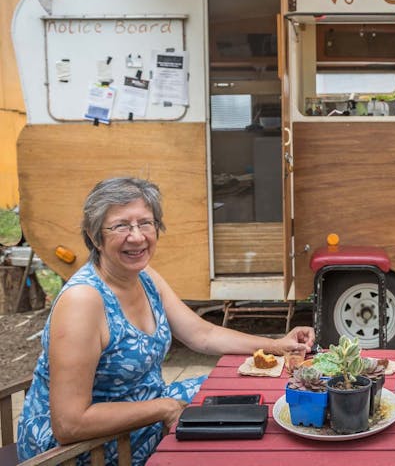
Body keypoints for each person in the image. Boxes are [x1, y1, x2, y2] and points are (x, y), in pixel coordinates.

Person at [17, 177, 315, 466]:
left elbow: (202, 334)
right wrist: (162, 408)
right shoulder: (83, 301)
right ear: (95, 236)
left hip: (142, 417)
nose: (137, 236)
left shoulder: (144, 278)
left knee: (249, 394)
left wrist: (276, 345)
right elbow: (69, 424)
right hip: (84, 450)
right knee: (232, 430)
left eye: (145, 223)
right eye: (121, 225)